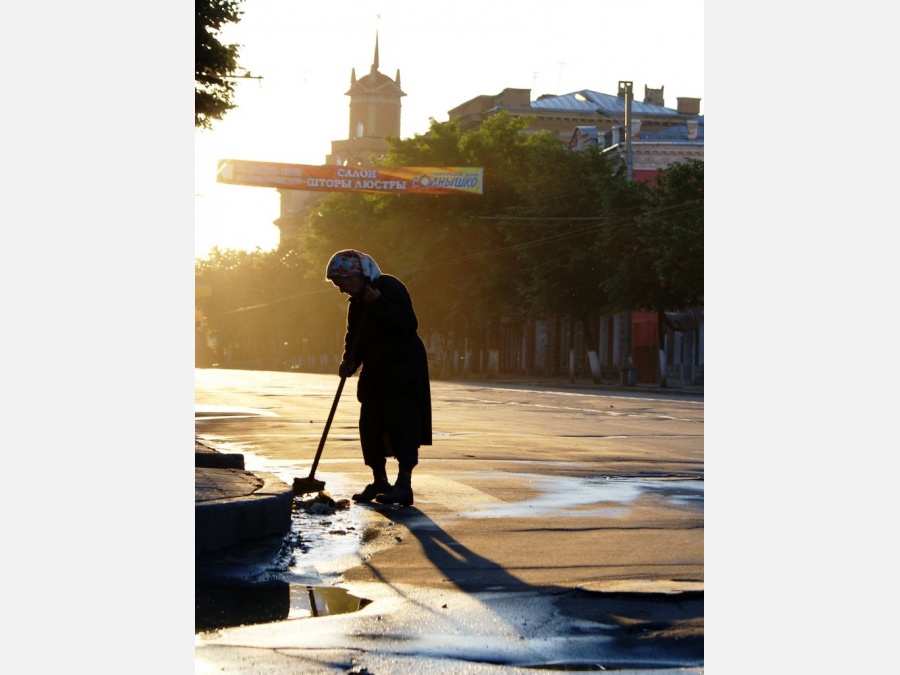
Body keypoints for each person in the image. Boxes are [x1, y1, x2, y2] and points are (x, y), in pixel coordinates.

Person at [325, 249, 432, 506]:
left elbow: (408, 324)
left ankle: (404, 485)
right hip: (375, 372)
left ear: (359, 274)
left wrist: (379, 303)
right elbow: (355, 337)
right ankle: (380, 480)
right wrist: (349, 361)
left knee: (401, 424)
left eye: (343, 282)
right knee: (370, 425)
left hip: (402, 371)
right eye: (338, 284)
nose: (341, 289)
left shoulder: (389, 287)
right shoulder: (357, 303)